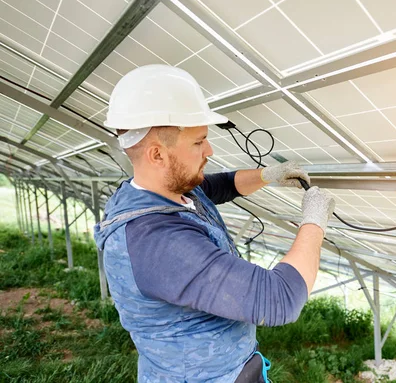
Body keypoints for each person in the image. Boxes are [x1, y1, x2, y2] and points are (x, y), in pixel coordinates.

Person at [93, 64, 336, 382]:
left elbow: (215, 187)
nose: (209, 150)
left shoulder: (156, 192)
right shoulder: (159, 242)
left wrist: (267, 175)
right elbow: (280, 299)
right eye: (198, 143)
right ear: (157, 155)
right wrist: (314, 222)